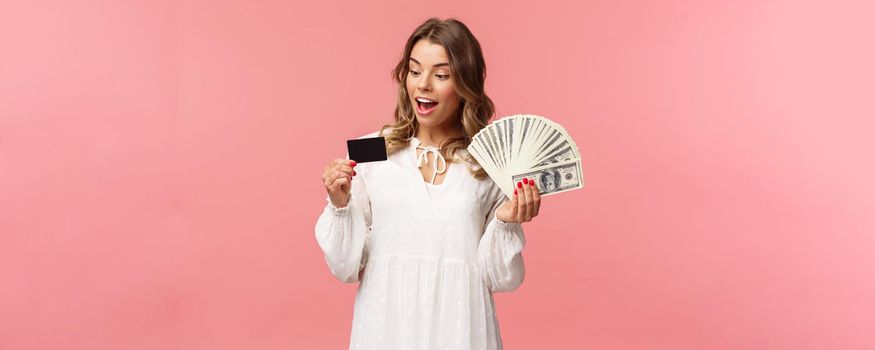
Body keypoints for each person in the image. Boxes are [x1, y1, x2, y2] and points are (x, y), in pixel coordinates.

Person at [315, 17, 542, 350]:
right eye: (415, 70)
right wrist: (339, 205)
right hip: (386, 327)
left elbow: (501, 278)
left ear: (465, 83)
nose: (423, 85)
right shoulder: (372, 148)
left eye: (441, 75)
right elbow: (346, 267)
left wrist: (506, 223)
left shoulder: (487, 163)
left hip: (462, 329)